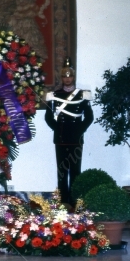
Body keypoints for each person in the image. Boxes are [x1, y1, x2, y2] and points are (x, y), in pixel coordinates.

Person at [45, 58, 94, 206]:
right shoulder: (54, 95)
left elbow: (89, 117)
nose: (67, 79)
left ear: (73, 77)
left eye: (70, 76)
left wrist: (80, 129)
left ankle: (74, 201)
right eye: (65, 76)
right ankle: (63, 201)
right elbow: (48, 117)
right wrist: (58, 128)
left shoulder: (82, 95)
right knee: (62, 171)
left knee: (75, 170)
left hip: (76, 137)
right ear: (62, 78)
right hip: (60, 137)